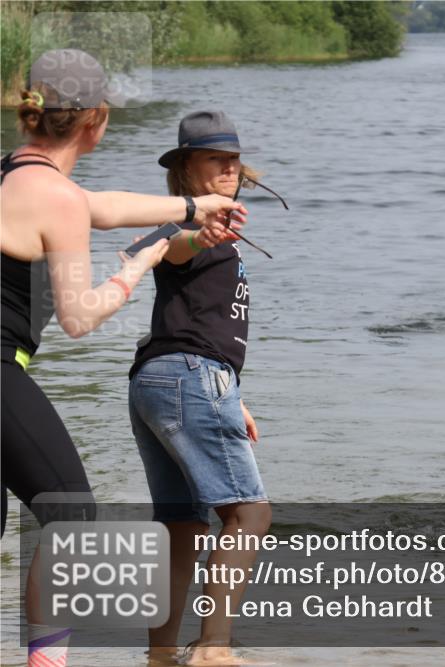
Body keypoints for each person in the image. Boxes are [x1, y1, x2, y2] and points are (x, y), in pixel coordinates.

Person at [0, 49, 244, 667]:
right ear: (97, 122)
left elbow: (102, 206)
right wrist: (137, 268)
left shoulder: (13, 174)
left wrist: (193, 208)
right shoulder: (57, 198)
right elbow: (80, 316)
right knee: (70, 511)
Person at [128, 111, 272, 667]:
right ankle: (214, 649)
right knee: (250, 514)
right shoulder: (181, 229)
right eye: (216, 159)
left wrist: (233, 394)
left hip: (166, 378)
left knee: (183, 524)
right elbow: (167, 247)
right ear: (187, 168)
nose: (229, 168)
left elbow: (199, 322)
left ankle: (160, 654)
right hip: (186, 377)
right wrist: (199, 230)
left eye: (233, 159)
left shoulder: (221, 236)